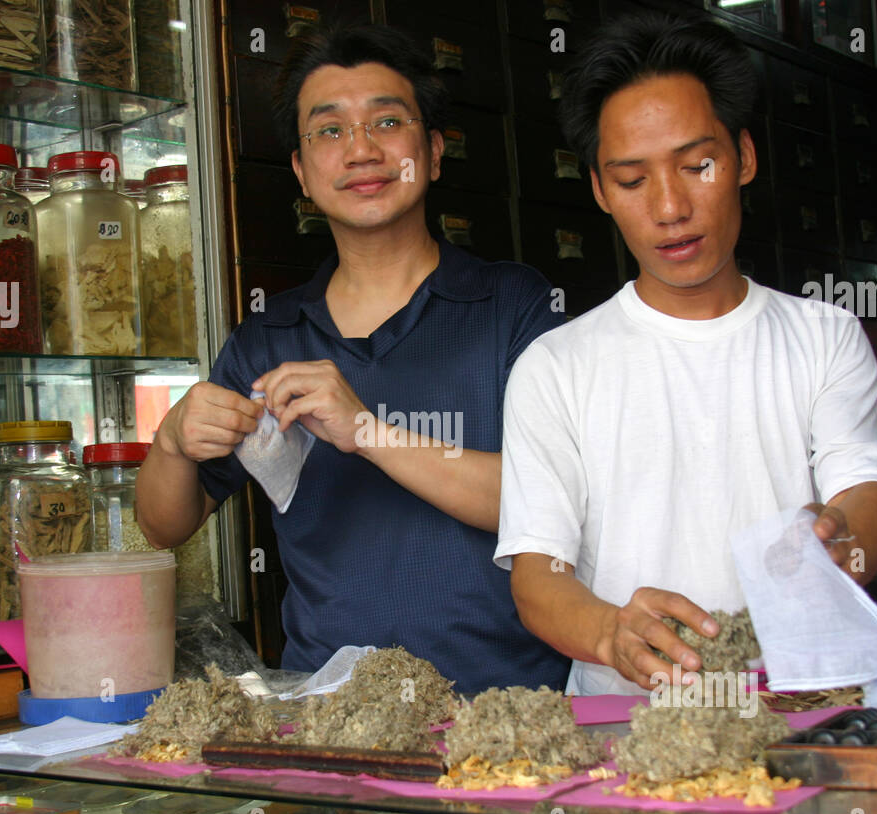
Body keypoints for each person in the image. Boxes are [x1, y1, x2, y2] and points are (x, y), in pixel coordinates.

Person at [135, 24, 570, 693]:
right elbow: (165, 526)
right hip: (328, 714)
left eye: (387, 122)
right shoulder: (267, 338)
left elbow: (552, 499)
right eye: (329, 130)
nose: (361, 149)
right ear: (302, 172)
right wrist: (170, 444)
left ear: (431, 152)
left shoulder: (514, 305)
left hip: (504, 706)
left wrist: (365, 431)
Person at [495, 11, 877, 696]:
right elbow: (539, 575)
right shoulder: (556, 366)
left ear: (743, 157)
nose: (670, 206)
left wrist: (839, 538)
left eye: (697, 165)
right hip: (625, 733)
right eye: (632, 180)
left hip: (800, 708)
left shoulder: (823, 336)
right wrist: (609, 633)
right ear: (597, 189)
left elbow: (864, 489)